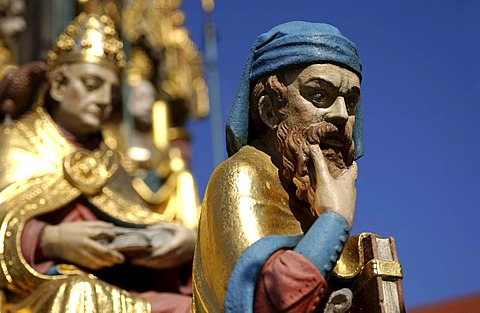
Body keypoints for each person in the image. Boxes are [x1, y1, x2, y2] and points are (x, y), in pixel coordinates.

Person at [0, 12, 194, 313]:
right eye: (92, 84)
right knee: (80, 293)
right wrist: (49, 240)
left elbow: (136, 220)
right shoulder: (15, 142)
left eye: (113, 92)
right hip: (40, 288)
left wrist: (182, 243)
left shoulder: (111, 161)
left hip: (120, 285)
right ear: (58, 86)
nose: (105, 100)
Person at [192, 21, 365, 312]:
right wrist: (335, 220)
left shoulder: (310, 193)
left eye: (350, 102)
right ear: (269, 110)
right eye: (319, 96)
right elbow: (267, 299)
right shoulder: (241, 176)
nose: (340, 115)